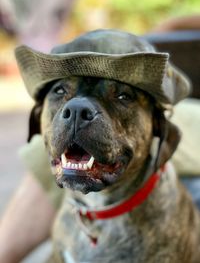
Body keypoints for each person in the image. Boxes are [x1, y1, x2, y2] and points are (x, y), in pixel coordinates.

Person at [0, 16, 200, 263]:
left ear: (161, 131)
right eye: (61, 91)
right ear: (37, 118)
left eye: (122, 97)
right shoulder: (65, 224)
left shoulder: (168, 237)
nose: (76, 110)